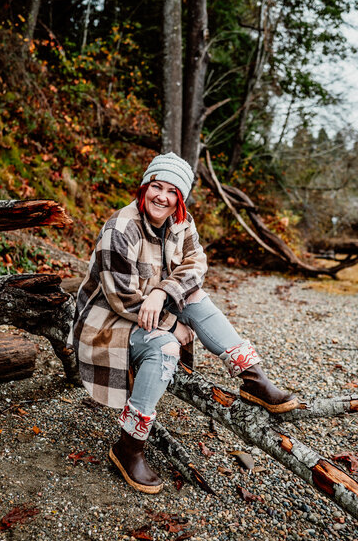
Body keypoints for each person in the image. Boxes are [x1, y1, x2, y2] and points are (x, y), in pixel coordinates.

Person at [69, 152, 299, 494]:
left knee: (197, 297)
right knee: (165, 347)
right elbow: (120, 297)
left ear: (180, 198)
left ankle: (254, 380)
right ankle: (128, 447)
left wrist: (163, 292)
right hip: (108, 322)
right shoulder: (120, 228)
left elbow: (196, 263)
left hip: (149, 304)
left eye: (171, 191)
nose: (161, 196)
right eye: (155, 187)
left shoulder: (181, 222)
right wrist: (171, 325)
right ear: (144, 188)